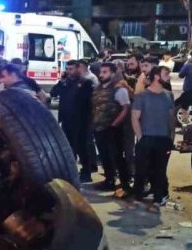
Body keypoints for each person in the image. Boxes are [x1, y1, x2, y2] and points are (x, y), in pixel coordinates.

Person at [130, 67, 175, 207]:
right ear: (156, 76)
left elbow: (171, 118)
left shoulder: (168, 95)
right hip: (147, 137)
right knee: (142, 169)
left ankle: (158, 197)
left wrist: (171, 137)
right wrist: (141, 137)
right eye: (166, 74)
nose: (169, 77)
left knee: (160, 170)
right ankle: (138, 195)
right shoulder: (142, 96)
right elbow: (135, 117)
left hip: (163, 138)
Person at [51, 60, 95, 182]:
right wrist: (61, 81)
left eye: (71, 69)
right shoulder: (66, 83)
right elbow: (53, 92)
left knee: (82, 147)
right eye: (67, 69)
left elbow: (87, 102)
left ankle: (86, 172)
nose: (69, 72)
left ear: (77, 69)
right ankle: (70, 170)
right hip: (66, 120)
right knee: (69, 147)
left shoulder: (85, 83)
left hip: (81, 120)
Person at [92, 62, 132, 196]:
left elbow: (125, 108)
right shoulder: (98, 88)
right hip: (99, 128)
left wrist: (114, 125)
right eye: (101, 72)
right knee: (104, 156)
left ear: (113, 73)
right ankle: (109, 180)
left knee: (117, 157)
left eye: (105, 72)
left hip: (113, 129)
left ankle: (125, 184)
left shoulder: (119, 89)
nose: (101, 75)